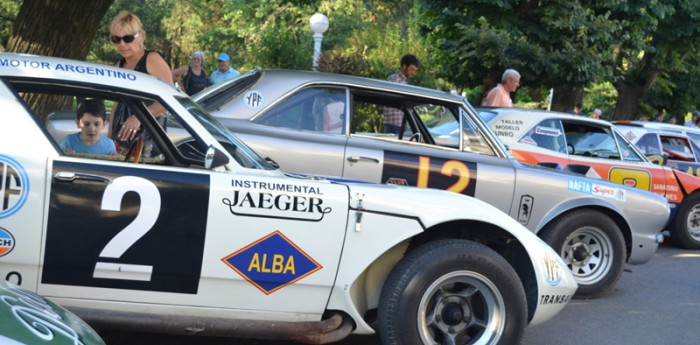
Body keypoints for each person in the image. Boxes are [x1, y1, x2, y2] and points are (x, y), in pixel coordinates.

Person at [107, 11, 173, 148]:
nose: (122, 44)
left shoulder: (152, 59)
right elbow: (116, 105)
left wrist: (139, 117)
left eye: (128, 38)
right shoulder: (119, 66)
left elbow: (170, 100)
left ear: (141, 36)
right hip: (120, 142)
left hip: (148, 142)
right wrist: (109, 138)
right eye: (116, 39)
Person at [382, 54, 421, 134]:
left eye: (414, 70)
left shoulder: (402, 81)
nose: (413, 73)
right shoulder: (395, 79)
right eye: (411, 69)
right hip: (394, 123)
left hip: (397, 123)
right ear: (404, 66)